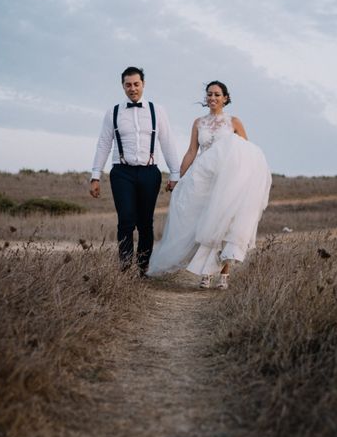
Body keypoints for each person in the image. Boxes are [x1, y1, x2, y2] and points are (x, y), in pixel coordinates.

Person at [147, 80, 271, 289]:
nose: (212, 98)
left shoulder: (234, 122)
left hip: (228, 180)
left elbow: (246, 153)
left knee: (224, 224)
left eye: (216, 94)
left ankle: (224, 274)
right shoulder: (198, 123)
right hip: (202, 179)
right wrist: (177, 176)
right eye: (209, 94)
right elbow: (191, 152)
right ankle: (206, 272)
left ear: (225, 98)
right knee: (203, 224)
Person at [90, 66, 180, 274]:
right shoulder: (113, 112)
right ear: (122, 86)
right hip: (122, 172)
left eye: (136, 84)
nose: (133, 88)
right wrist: (95, 175)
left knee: (145, 222)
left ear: (143, 84)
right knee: (126, 220)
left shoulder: (157, 110)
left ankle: (142, 267)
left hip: (150, 172)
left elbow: (167, 142)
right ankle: (124, 268)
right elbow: (104, 143)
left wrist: (175, 174)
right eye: (128, 85)